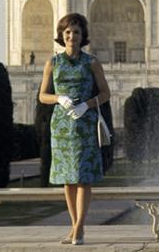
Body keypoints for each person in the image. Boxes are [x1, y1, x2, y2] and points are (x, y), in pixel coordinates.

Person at [39, 13, 110, 246]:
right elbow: (42, 95)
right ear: (62, 35)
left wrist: (86, 105)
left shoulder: (91, 62)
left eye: (76, 32)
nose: (72, 36)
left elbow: (105, 93)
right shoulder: (53, 62)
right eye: (68, 32)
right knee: (68, 180)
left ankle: (79, 228)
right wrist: (59, 98)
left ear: (83, 36)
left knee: (83, 178)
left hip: (84, 122)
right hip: (61, 125)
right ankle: (74, 226)